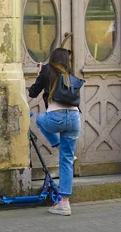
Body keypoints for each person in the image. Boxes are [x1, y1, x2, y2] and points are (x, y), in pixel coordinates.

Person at [28, 47, 81, 216]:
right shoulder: (69, 75)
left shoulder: (47, 70)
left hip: (56, 118)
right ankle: (64, 203)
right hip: (74, 118)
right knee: (66, 161)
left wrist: (40, 75)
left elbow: (33, 92)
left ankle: (56, 144)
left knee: (38, 119)